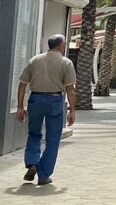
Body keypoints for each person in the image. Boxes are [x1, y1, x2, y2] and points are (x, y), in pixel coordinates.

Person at [15, 34, 77, 185]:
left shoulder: (34, 60)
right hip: (55, 100)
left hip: (35, 100)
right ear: (61, 46)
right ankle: (43, 175)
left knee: (34, 134)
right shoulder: (66, 63)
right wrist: (72, 110)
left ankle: (32, 163)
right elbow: (70, 89)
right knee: (53, 139)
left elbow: (22, 84)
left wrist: (20, 107)